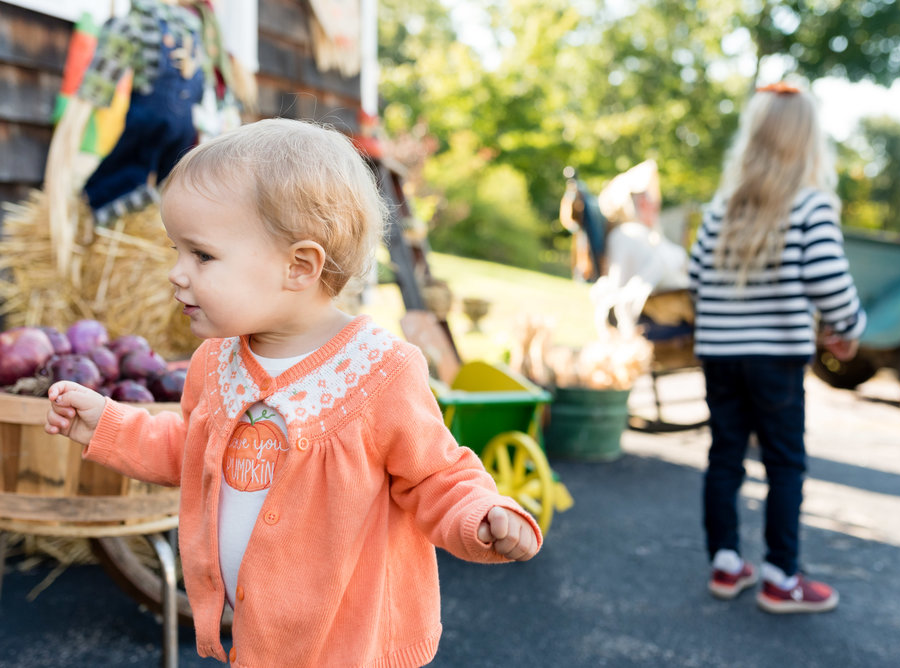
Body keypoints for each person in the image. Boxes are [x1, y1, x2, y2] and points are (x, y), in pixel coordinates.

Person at [45, 118, 541, 666]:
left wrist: (482, 514)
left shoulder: (380, 371)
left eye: (201, 256)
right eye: (176, 252)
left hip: (349, 644)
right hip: (260, 637)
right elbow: (194, 448)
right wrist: (111, 426)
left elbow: (438, 476)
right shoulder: (218, 362)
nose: (176, 274)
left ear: (299, 266)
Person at [687, 82, 865, 614]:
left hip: (719, 355)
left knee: (725, 457)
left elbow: (696, 277)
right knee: (785, 464)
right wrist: (849, 328)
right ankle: (780, 576)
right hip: (775, 358)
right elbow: (831, 283)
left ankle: (725, 564)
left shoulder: (723, 209)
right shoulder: (809, 206)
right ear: (807, 142)